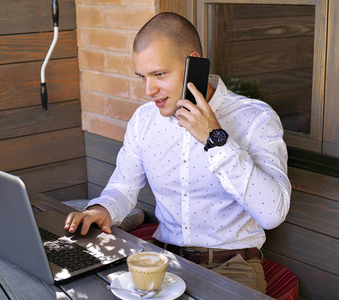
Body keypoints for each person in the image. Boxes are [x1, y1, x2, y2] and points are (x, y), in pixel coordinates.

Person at [65, 12, 291, 293]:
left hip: (231, 266)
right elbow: (122, 188)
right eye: (142, 77)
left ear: (192, 63)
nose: (149, 90)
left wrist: (215, 138)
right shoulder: (144, 120)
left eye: (159, 74)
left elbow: (272, 213)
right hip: (161, 260)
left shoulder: (255, 118)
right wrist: (102, 209)